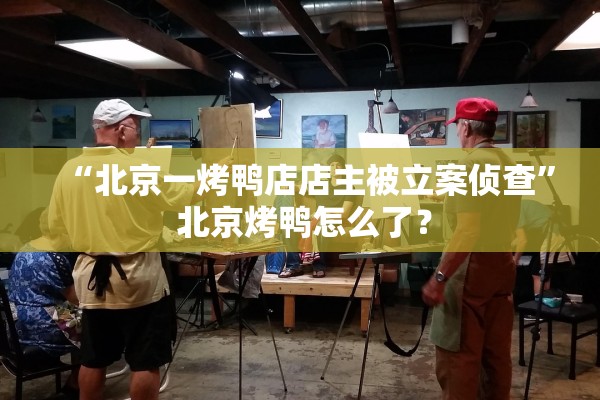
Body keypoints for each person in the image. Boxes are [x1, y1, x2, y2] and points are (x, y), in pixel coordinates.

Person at [47, 99, 221, 400]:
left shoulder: (69, 170)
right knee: (145, 360)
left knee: (93, 358)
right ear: (121, 130)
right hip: (137, 279)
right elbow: (184, 196)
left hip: (91, 281)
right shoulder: (138, 169)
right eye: (136, 130)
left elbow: (54, 227)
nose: (138, 137)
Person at [421, 97, 521, 399]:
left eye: (457, 127)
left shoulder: (470, 165)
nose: (457, 133)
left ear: (465, 127)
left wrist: (439, 278)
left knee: (459, 361)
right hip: (501, 268)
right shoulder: (506, 162)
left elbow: (468, 230)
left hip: (470, 274)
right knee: (495, 360)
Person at [8, 209, 80, 400]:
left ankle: (78, 378)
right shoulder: (54, 258)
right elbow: (75, 299)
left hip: (17, 324)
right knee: (93, 330)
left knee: (80, 319)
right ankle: (76, 384)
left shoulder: (25, 247)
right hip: (44, 324)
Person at [309, 154, 355, 278]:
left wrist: (323, 213)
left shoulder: (349, 186)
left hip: (335, 220)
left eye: (338, 165)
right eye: (332, 165)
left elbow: (344, 213)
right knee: (293, 223)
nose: (335, 167)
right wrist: (290, 186)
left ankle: (319, 266)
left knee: (321, 226)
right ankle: (294, 266)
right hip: (317, 218)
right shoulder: (321, 185)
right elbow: (303, 188)